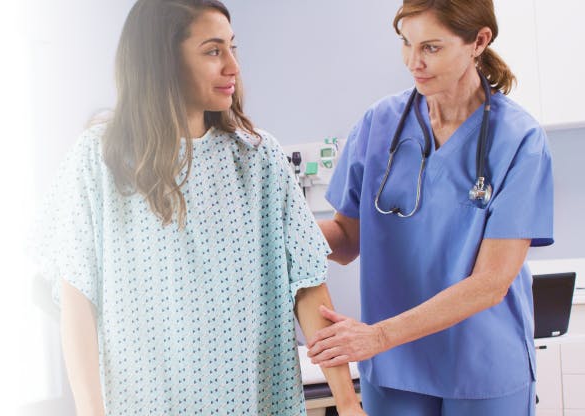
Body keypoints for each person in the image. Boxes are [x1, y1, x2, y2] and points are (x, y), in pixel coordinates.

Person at [35, 0, 365, 414]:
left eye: (232, 47)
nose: (233, 66)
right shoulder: (99, 160)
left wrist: (348, 403)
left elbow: (308, 282)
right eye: (213, 51)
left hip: (250, 399)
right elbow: (77, 299)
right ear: (162, 61)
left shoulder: (259, 159)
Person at [306, 1, 553, 415]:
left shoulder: (519, 139)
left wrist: (378, 337)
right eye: (406, 43)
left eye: (431, 48)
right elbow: (348, 240)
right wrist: (281, 228)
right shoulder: (378, 123)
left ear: (479, 41)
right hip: (396, 369)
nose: (413, 62)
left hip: (482, 366)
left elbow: (492, 282)